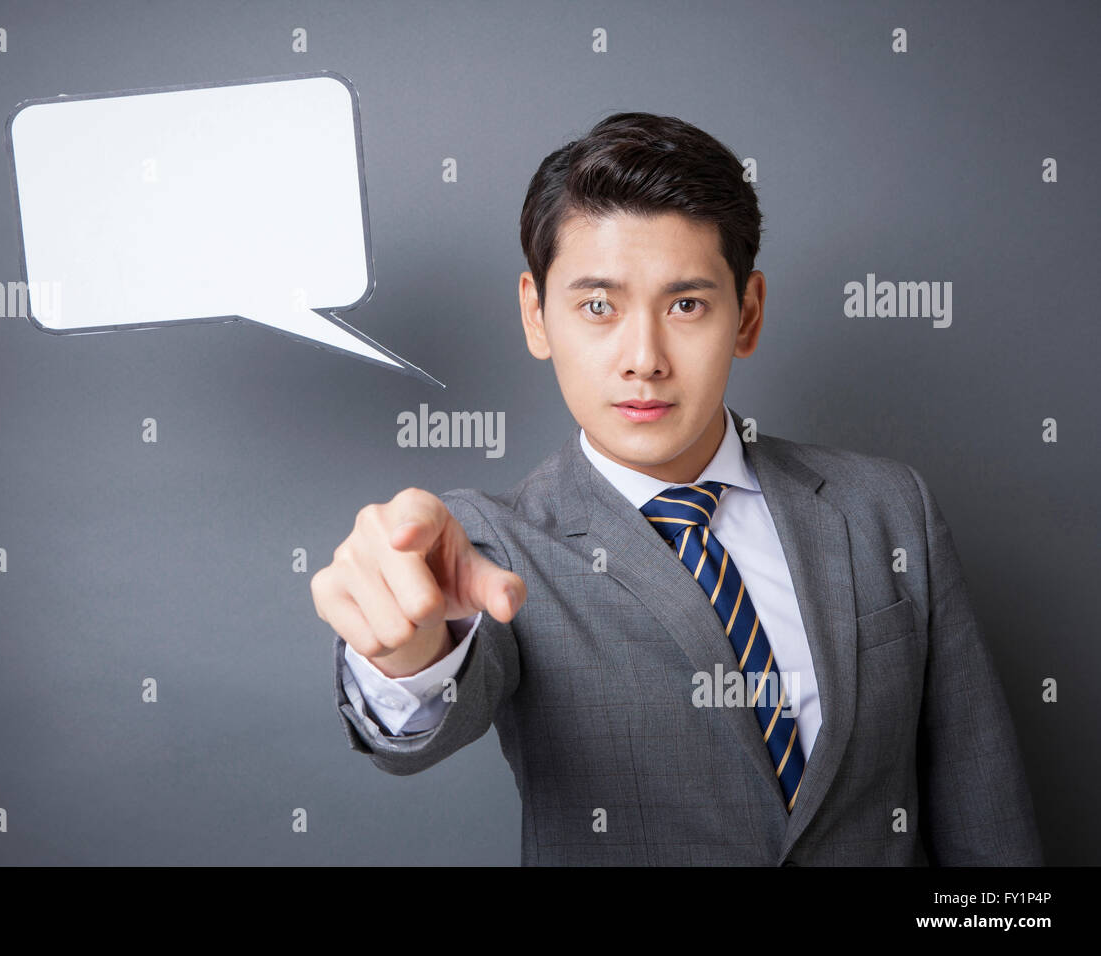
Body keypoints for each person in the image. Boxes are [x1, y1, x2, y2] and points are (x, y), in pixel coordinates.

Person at [310, 112, 1043, 866]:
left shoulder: (889, 509)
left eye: (686, 304)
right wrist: (407, 651)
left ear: (747, 314)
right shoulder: (486, 549)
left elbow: (985, 809)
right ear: (537, 315)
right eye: (598, 306)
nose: (644, 358)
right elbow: (415, 724)